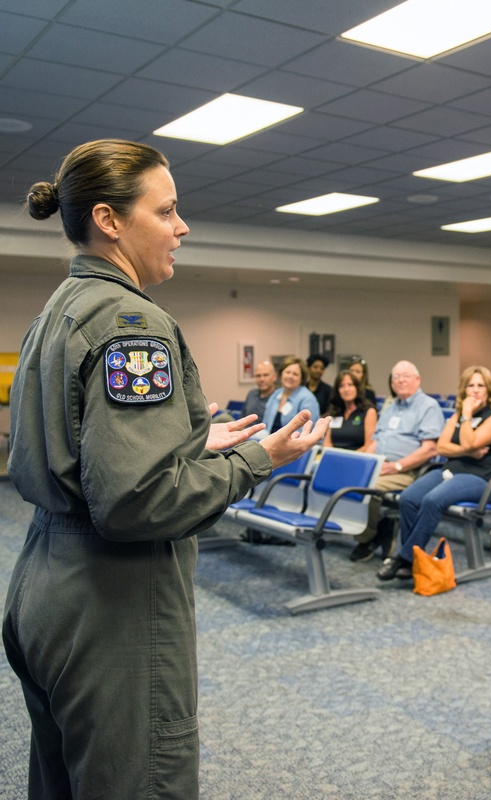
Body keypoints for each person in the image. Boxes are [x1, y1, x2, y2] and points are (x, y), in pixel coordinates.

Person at [1, 139, 330, 799]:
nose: (182, 228)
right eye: (167, 211)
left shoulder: (59, 311)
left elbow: (79, 448)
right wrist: (258, 457)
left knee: (65, 780)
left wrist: (185, 442)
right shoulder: (132, 324)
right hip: (113, 602)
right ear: (110, 220)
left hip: (47, 583)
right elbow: (132, 505)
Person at [377, 366, 491, 580]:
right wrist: (469, 451)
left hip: (479, 479)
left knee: (432, 500)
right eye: (470, 385)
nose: (475, 390)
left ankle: (404, 557)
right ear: (464, 390)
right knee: (408, 498)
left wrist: (465, 415)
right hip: (450, 471)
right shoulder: (456, 416)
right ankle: (411, 558)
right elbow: (442, 447)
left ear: (489, 390)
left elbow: (468, 440)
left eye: (480, 386)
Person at [353, 360, 445, 562]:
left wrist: (397, 466)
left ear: (417, 380)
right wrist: (364, 465)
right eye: (396, 377)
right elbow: (375, 442)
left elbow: (430, 449)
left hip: (409, 471)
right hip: (382, 465)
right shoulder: (391, 407)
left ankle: (368, 537)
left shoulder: (428, 406)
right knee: (354, 479)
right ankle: (381, 527)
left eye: (406, 376)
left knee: (368, 487)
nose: (400, 380)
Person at [261, 357, 320, 434]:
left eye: (295, 374)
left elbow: (307, 431)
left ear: (302, 378)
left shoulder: (308, 399)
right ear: (281, 373)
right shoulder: (276, 394)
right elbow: (265, 425)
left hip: (294, 444)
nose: (290, 376)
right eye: (287, 372)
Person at [323, 369, 377, 451]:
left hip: (356, 458)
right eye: (341, 386)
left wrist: (347, 459)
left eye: (350, 385)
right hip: (333, 458)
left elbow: (368, 445)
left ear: (357, 388)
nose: (346, 389)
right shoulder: (335, 412)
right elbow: (327, 442)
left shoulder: (369, 412)